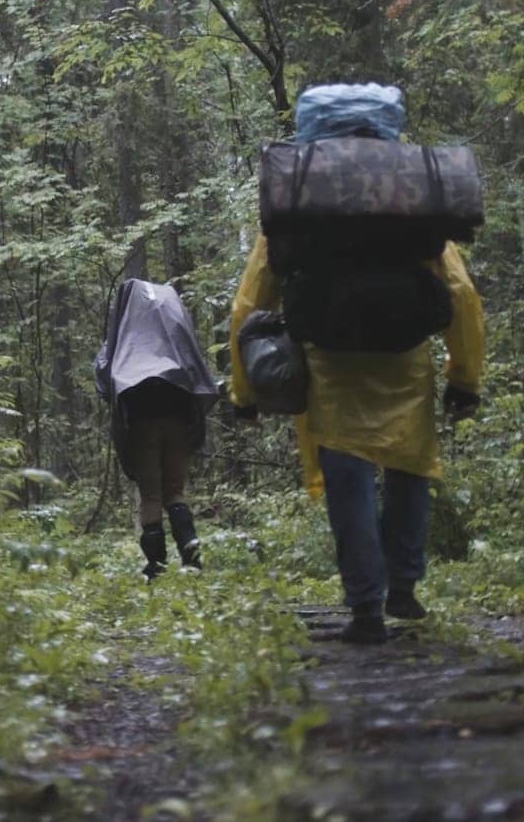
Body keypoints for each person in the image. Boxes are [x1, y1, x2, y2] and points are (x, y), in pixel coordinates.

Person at [229, 84, 485, 645]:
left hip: (330, 366)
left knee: (347, 480)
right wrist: (464, 378)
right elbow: (461, 293)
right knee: (409, 466)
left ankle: (366, 607)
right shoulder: (413, 196)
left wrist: (244, 392)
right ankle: (405, 586)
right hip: (406, 364)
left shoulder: (297, 201)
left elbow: (249, 305)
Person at [95, 279, 220, 578]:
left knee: (151, 494)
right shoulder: (176, 337)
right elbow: (196, 375)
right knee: (175, 492)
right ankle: (191, 562)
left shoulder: (125, 339)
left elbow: (104, 373)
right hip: (176, 423)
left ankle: (156, 566)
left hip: (142, 426)